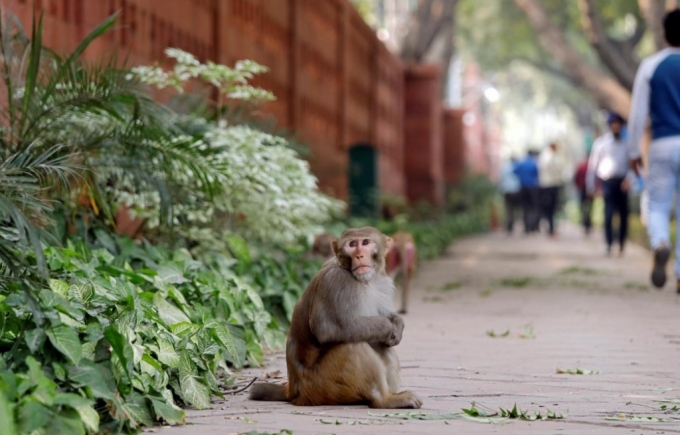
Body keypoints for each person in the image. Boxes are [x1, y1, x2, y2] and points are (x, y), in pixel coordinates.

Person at [628, 9, 680, 290]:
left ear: (664, 34)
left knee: (658, 205)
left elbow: (637, 115)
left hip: (662, 144)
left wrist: (633, 151)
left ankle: (660, 242)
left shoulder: (651, 66)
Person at [587, 112, 631, 256]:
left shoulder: (627, 144)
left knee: (624, 215)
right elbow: (593, 167)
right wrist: (591, 186)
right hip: (608, 183)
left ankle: (622, 243)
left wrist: (629, 179)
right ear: (610, 125)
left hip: (623, 182)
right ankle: (609, 243)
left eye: (618, 123)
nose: (616, 126)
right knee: (608, 214)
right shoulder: (601, 143)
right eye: (614, 123)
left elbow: (633, 165)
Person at [538, 142, 566, 237]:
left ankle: (551, 228)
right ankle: (550, 228)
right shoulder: (547, 156)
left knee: (552, 208)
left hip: (553, 185)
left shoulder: (551, 156)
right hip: (548, 185)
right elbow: (555, 168)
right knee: (549, 208)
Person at [513, 150, 540, 233]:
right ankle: (533, 226)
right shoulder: (534, 163)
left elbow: (514, 171)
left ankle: (526, 227)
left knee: (525, 207)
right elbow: (537, 173)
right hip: (532, 187)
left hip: (523, 187)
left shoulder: (521, 163)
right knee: (533, 207)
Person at [498, 157, 521, 234]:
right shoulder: (517, 166)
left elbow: (501, 179)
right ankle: (523, 225)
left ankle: (510, 226)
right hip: (516, 190)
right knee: (518, 208)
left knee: (509, 209)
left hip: (507, 190)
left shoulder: (504, 167)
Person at [573, 152, 592, 235]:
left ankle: (585, 223)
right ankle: (588, 224)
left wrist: (578, 186)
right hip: (590, 190)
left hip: (583, 189)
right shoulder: (592, 166)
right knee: (590, 208)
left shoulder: (581, 166)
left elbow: (575, 178)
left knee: (583, 207)